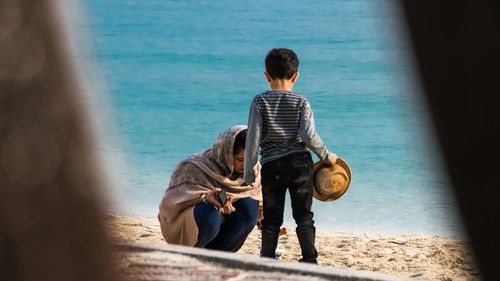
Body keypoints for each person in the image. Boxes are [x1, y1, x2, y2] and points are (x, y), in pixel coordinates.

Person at [244, 48, 338, 263]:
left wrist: (249, 172)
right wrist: (326, 155)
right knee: (304, 216)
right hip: (299, 164)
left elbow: (253, 139)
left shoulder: (259, 102)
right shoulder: (302, 102)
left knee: (272, 218)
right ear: (296, 76)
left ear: (266, 76)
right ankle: (309, 259)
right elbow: (307, 135)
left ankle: (267, 258)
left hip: (272, 165)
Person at [158, 125, 262, 252]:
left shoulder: (253, 171)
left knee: (250, 207)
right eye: (240, 159)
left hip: (224, 233)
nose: (246, 165)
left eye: (250, 159)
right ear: (227, 154)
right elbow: (169, 203)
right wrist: (205, 198)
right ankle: (192, 254)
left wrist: (266, 224)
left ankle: (220, 256)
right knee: (210, 214)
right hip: (190, 227)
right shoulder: (194, 167)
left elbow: (259, 201)